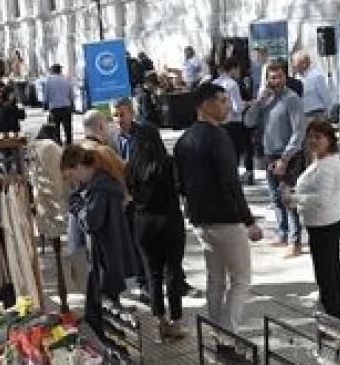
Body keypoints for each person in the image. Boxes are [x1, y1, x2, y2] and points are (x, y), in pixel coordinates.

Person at [174, 83, 263, 346]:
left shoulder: (184, 140)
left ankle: (217, 332)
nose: (228, 106)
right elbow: (230, 182)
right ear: (205, 105)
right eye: (222, 101)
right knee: (240, 280)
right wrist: (248, 220)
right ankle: (226, 336)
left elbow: (180, 184)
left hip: (200, 218)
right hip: (226, 219)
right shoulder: (218, 137)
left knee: (216, 278)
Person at [123, 108, 187, 342]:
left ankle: (159, 320)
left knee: (152, 272)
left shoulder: (132, 167)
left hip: (143, 222)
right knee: (173, 270)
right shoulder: (168, 164)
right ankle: (176, 321)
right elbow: (181, 188)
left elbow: (130, 193)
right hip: (169, 220)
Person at [62, 144, 136, 338]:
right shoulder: (100, 185)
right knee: (103, 314)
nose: (74, 180)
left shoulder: (100, 189)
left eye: (72, 174)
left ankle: (112, 348)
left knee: (104, 317)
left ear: (79, 166)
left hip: (104, 260)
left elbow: (91, 221)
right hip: (106, 258)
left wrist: (76, 205)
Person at [286, 119, 340, 321]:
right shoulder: (321, 160)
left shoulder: (328, 165)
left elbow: (323, 199)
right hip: (322, 223)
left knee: (326, 274)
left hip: (325, 224)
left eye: (318, 137)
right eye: (310, 137)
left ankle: (334, 316)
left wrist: (296, 198)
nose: (313, 141)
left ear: (329, 140)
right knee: (332, 269)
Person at [244, 62, 307, 257]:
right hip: (270, 154)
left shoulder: (292, 99)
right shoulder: (266, 100)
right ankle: (283, 232)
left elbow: (299, 131)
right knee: (275, 197)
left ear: (285, 77)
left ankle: (295, 241)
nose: (276, 81)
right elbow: (248, 122)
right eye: (272, 78)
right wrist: (258, 102)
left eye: (279, 76)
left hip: (288, 155)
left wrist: (285, 158)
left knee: (288, 197)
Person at [214, 57, 252, 184]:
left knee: (223, 152)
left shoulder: (215, 83)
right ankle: (233, 178)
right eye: (237, 69)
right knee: (235, 152)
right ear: (233, 69)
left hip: (219, 122)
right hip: (233, 123)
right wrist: (247, 103)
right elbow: (238, 108)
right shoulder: (232, 84)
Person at [292, 52, 332, 120]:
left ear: (304, 64)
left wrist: (329, 114)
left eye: (295, 63)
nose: (294, 65)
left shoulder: (316, 76)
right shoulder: (297, 77)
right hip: (302, 115)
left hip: (316, 114)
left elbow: (326, 97)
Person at [44, 64, 75, 146]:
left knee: (56, 128)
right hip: (66, 107)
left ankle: (58, 144)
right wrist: (72, 104)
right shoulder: (66, 80)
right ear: (60, 70)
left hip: (54, 108)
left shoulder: (49, 81)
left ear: (52, 71)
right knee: (68, 127)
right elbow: (71, 94)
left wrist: (45, 105)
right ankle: (69, 143)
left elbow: (46, 95)